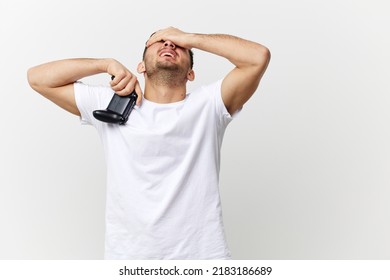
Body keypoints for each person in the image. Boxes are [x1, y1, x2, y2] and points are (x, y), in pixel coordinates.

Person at [27, 27, 270, 259]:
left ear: (191, 74)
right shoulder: (111, 104)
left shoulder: (210, 105)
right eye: (159, 41)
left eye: (178, 45)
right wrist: (105, 64)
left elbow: (258, 57)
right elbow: (38, 78)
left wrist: (189, 37)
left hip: (202, 258)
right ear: (141, 66)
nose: (169, 43)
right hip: (130, 260)